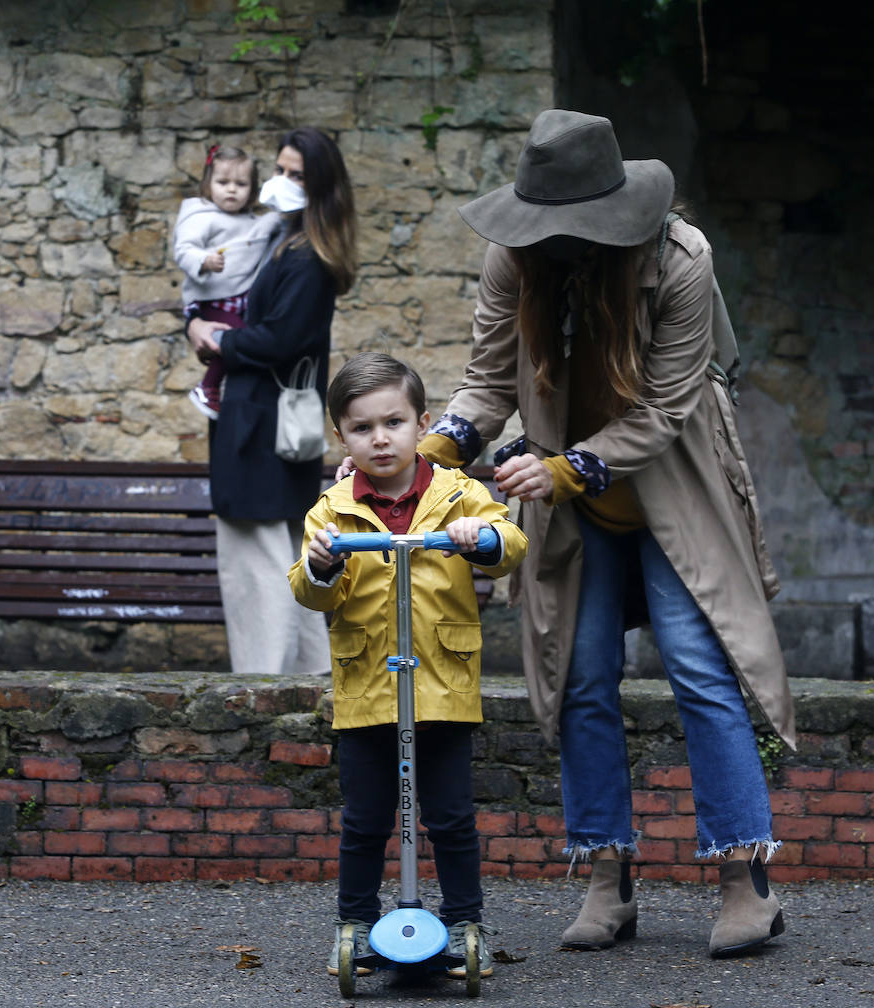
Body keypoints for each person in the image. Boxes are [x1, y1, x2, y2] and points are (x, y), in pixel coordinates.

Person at [418, 109, 796, 959]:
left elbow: (665, 408)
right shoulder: (515, 259)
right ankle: (606, 875)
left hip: (672, 480)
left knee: (701, 669)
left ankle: (744, 881)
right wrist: (433, 453)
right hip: (576, 502)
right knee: (579, 677)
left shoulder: (679, 258)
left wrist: (561, 470)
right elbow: (485, 381)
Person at [288, 352, 528, 981]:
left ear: (422, 422)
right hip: (369, 682)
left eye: (393, 422)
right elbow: (308, 590)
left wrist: (485, 536)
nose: (380, 438)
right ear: (342, 437)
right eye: (362, 428)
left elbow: (511, 545)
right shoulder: (332, 510)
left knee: (450, 816)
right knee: (366, 818)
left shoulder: (456, 495)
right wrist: (322, 565)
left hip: (443, 682)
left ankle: (465, 919)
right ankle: (357, 922)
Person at [185, 127, 356, 678]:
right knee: (282, 558)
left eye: (297, 175)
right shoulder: (286, 241)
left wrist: (218, 339)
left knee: (257, 567)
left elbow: (280, 339)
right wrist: (202, 322)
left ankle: (264, 691)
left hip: (262, 424)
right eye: (279, 171)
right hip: (269, 422)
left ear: (321, 186)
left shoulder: (307, 258)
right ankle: (308, 681)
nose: (281, 183)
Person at [172, 143, 281, 419]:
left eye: (241, 184)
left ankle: (216, 388)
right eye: (223, 182)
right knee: (232, 340)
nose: (231, 189)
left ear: (253, 189)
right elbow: (183, 249)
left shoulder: (252, 221)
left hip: (239, 298)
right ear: (208, 184)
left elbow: (262, 233)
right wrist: (203, 260)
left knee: (238, 339)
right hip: (211, 299)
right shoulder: (199, 214)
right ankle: (207, 387)